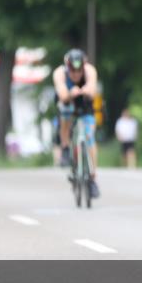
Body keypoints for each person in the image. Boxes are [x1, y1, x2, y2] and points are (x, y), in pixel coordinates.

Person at [52, 49, 100, 198]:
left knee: (89, 136)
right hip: (67, 99)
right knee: (65, 115)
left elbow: (92, 89)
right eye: (73, 70)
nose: (76, 74)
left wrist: (85, 90)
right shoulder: (59, 73)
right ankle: (65, 148)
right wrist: (70, 93)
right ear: (68, 68)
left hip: (84, 101)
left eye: (79, 70)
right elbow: (61, 93)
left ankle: (92, 178)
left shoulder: (90, 70)